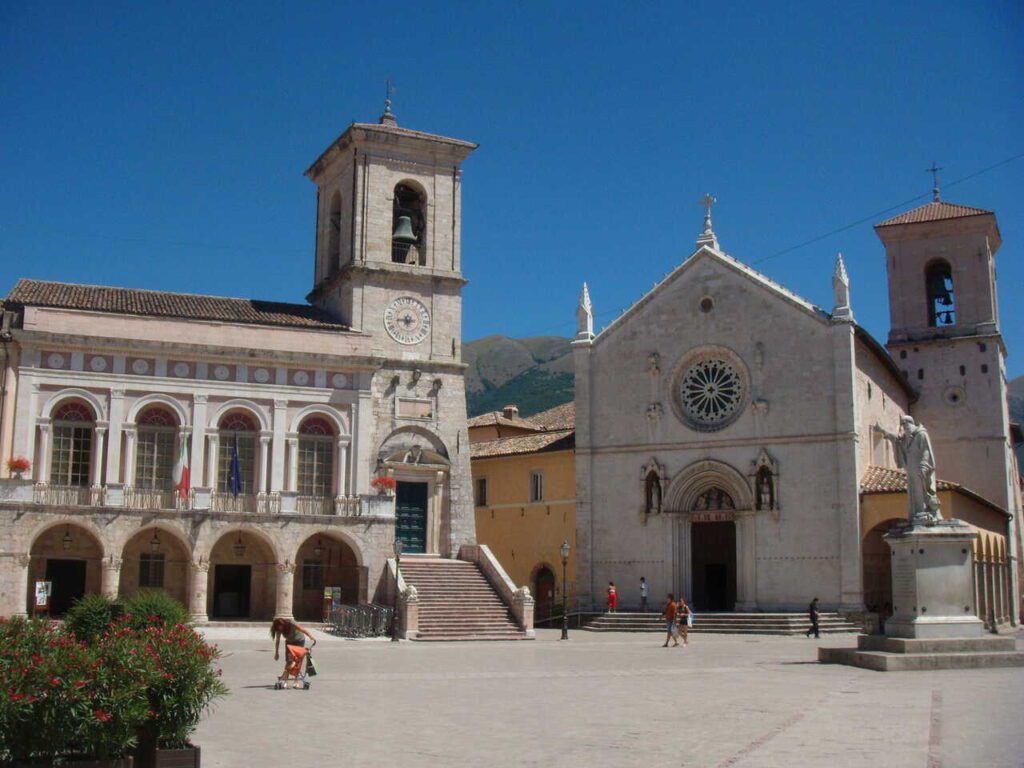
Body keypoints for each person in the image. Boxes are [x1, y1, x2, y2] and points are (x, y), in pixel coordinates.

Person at [271, 617, 316, 687]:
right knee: (289, 661)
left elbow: (302, 629)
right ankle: (285, 681)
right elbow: (277, 641)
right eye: (278, 628)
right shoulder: (278, 629)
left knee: (297, 661)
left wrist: (311, 636)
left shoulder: (291, 622)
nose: (280, 629)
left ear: (283, 624)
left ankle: (296, 681)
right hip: (289, 642)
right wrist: (276, 653)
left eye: (280, 627)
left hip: (299, 640)